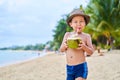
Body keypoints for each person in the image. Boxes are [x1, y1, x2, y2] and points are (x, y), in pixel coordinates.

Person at [59, 9, 94, 80]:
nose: (79, 24)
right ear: (71, 24)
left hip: (81, 66)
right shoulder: (67, 35)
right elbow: (61, 50)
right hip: (69, 68)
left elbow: (91, 52)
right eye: (75, 22)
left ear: (85, 23)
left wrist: (84, 47)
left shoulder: (86, 36)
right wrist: (65, 46)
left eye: (81, 21)